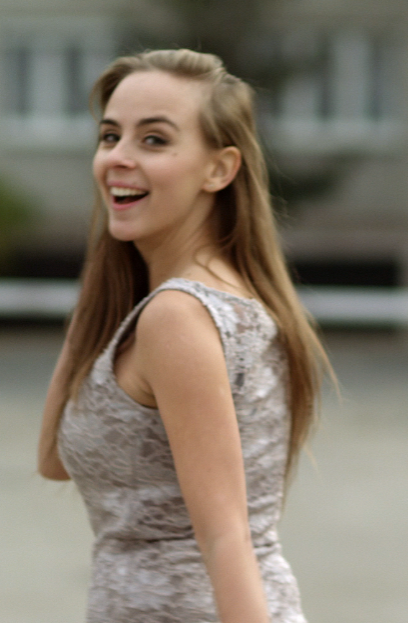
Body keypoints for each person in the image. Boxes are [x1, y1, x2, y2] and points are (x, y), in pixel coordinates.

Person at [38, 48, 329, 623]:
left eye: (154, 140)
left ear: (219, 169)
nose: (118, 157)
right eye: (109, 136)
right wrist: (101, 291)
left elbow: (226, 540)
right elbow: (53, 457)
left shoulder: (179, 317)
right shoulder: (191, 301)